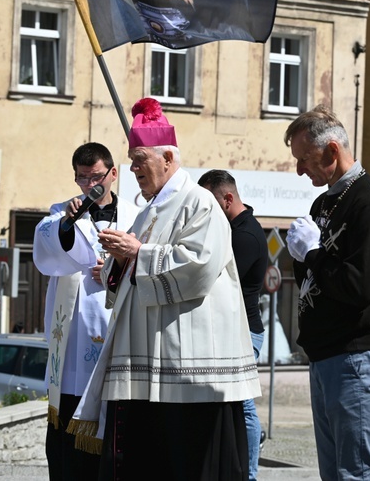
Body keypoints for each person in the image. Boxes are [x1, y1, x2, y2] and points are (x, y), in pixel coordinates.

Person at [67, 98, 260, 480]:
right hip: (148, 370)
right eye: (132, 160)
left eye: (140, 159)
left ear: (168, 158)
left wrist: (137, 253)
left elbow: (199, 267)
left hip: (188, 372)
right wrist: (118, 264)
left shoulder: (200, 203)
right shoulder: (148, 211)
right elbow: (134, 275)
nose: (133, 168)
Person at [283, 104, 370, 480]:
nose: (300, 169)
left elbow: (361, 286)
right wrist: (301, 255)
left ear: (332, 151)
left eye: (305, 158)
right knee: (334, 474)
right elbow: (312, 279)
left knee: (358, 474)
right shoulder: (324, 202)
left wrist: (313, 253)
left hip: (354, 355)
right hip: (324, 354)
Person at [33, 142, 138, 481]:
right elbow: (49, 247)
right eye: (82, 178)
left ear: (113, 173)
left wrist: (117, 267)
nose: (90, 185)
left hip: (117, 331)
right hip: (76, 339)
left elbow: (148, 259)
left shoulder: (137, 216)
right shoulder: (62, 212)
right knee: (68, 430)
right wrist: (69, 223)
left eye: (96, 177)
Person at [198, 169, 268, 481]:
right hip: (233, 329)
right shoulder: (231, 230)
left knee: (244, 405)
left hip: (244, 332)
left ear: (227, 199)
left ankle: (250, 473)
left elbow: (216, 280)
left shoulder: (245, 236)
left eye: (210, 202)